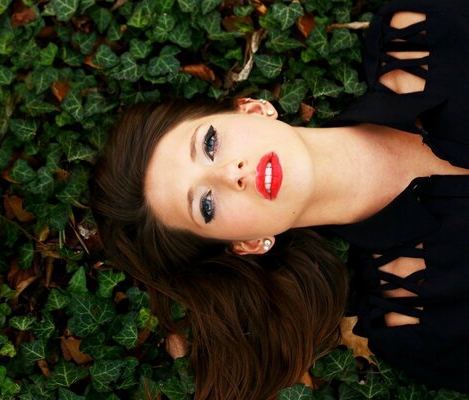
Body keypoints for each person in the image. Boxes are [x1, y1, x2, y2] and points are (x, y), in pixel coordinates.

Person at [90, 0, 469, 398]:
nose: (229, 173)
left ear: (252, 108)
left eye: (210, 143)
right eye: (205, 205)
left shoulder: (425, 33)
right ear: (248, 244)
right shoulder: (420, 325)